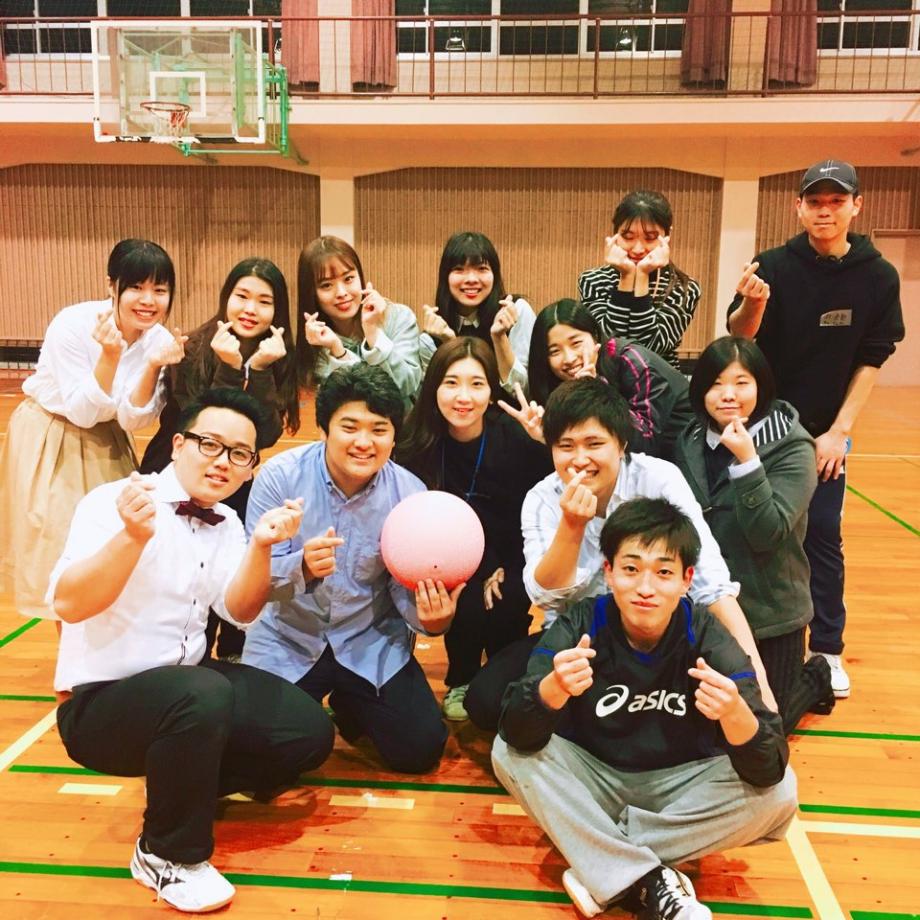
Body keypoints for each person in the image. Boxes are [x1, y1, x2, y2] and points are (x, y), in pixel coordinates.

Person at [50, 388, 334, 914]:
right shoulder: (114, 502)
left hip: (186, 692)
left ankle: (179, 783)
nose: (223, 461)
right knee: (200, 690)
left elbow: (240, 611)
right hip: (100, 703)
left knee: (306, 731)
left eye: (239, 454)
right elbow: (69, 603)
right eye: (210, 444)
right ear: (178, 445)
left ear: (250, 468)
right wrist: (132, 538)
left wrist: (261, 546)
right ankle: (166, 855)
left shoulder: (225, 522)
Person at [493, 497, 796, 919]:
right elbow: (515, 729)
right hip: (594, 780)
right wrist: (553, 688)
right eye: (631, 569)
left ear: (687, 579)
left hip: (677, 789)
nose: (646, 588)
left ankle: (604, 864)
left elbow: (769, 765)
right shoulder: (582, 623)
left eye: (664, 572)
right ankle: (646, 878)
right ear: (609, 572)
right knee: (507, 752)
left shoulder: (707, 636)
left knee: (781, 792)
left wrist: (734, 714)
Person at [464, 377, 774, 732]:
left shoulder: (658, 480)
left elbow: (711, 584)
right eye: (565, 446)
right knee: (486, 701)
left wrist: (759, 680)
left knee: (734, 709)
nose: (580, 459)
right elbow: (544, 596)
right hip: (581, 637)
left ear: (621, 444)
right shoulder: (542, 498)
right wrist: (572, 526)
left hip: (658, 635)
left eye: (594, 443)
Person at [728, 159, 905, 699]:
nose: (825, 210)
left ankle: (826, 648)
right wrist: (753, 303)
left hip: (826, 433)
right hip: (765, 426)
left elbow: (873, 357)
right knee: (756, 531)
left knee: (822, 534)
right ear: (798, 207)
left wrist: (839, 432)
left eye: (836, 201)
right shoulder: (773, 266)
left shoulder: (878, 276)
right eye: (815, 201)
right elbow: (739, 335)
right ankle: (748, 634)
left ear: (856, 206)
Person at [242, 363, 464, 773]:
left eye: (379, 429)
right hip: (288, 637)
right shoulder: (279, 478)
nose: (364, 442)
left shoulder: (409, 494)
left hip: (369, 640)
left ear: (394, 436)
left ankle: (352, 702)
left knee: (420, 749)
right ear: (324, 429)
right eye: (349, 427)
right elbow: (251, 581)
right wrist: (301, 567)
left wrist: (433, 620)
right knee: (260, 748)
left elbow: (403, 589)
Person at [0, 238, 185, 621]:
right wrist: (110, 356)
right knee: (57, 549)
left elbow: (133, 420)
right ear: (111, 286)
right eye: (136, 287)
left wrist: (153, 366)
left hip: (109, 438)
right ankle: (70, 655)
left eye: (159, 290)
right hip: (51, 433)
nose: (148, 300)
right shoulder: (73, 324)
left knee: (113, 542)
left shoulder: (161, 341)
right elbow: (82, 412)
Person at [140, 258, 301, 661]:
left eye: (264, 301)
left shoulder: (276, 353)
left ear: (277, 311)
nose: (250, 309)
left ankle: (232, 652)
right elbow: (203, 428)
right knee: (181, 565)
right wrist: (230, 369)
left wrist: (259, 369)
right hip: (178, 468)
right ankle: (183, 654)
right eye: (241, 296)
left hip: (233, 473)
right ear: (226, 298)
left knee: (234, 557)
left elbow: (266, 434)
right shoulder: (195, 347)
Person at [673, 336, 834, 733]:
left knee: (766, 725)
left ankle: (814, 676)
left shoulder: (793, 448)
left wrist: (748, 462)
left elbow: (768, 533)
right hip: (708, 607)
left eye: (741, 382)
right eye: (715, 384)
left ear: (761, 385)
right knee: (701, 718)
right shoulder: (690, 439)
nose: (728, 394)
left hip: (770, 611)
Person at [396, 337, 552, 721]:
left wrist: (544, 441)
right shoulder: (418, 441)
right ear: (434, 387)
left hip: (514, 548)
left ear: (491, 390)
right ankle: (462, 677)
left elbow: (540, 507)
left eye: (476, 384)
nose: (463, 396)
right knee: (462, 597)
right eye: (451, 383)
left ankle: (500, 674)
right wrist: (480, 567)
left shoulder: (514, 437)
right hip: (447, 552)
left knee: (506, 598)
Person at [517, 297, 692, 459]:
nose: (569, 358)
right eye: (555, 351)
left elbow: (645, 444)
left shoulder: (632, 361)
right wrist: (546, 437)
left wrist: (595, 390)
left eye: (576, 343)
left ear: (595, 336)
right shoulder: (556, 382)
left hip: (684, 454)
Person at [578, 190, 701, 370]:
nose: (638, 249)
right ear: (615, 234)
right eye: (628, 236)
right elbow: (608, 345)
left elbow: (649, 349)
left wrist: (642, 276)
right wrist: (627, 277)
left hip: (660, 383)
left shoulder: (685, 288)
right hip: (608, 381)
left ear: (667, 235)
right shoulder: (592, 280)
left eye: (650, 238)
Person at [296, 235, 421, 404]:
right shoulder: (317, 341)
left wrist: (373, 333)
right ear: (311, 293)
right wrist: (337, 350)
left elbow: (407, 384)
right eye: (326, 285)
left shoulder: (399, 317)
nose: (341, 293)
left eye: (348, 279)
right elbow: (358, 401)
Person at [419, 231, 535, 393]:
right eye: (459, 269)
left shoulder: (516, 311)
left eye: (481, 268)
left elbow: (525, 391)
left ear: (495, 275)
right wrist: (449, 343)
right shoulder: (433, 335)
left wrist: (499, 337)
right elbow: (438, 396)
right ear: (445, 277)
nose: (471, 279)